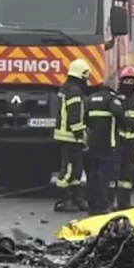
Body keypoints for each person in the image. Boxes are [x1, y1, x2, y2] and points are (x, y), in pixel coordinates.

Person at [53, 59, 91, 212]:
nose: (87, 78)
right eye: (86, 74)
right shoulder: (74, 90)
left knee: (76, 170)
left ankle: (76, 198)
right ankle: (62, 201)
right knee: (68, 170)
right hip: (70, 136)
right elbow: (74, 115)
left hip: (69, 135)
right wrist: (80, 135)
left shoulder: (68, 88)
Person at [83, 74, 124, 215]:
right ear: (113, 85)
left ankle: (92, 205)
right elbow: (120, 116)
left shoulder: (91, 99)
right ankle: (103, 206)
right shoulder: (112, 99)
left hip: (92, 143)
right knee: (105, 176)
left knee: (93, 175)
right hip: (108, 144)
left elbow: (86, 120)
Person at [111, 66, 134, 210]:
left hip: (131, 143)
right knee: (113, 172)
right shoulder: (114, 98)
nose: (128, 83)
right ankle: (109, 203)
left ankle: (124, 204)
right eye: (126, 80)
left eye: (131, 81)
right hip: (116, 140)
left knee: (127, 174)